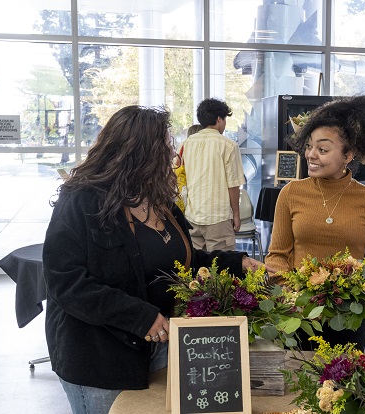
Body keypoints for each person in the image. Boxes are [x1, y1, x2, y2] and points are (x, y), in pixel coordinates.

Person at [42, 105, 263, 414]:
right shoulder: (82, 200)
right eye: (165, 144)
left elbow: (185, 259)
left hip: (155, 349)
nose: (172, 152)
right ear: (137, 151)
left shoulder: (159, 201)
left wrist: (235, 262)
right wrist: (139, 316)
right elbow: (65, 282)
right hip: (97, 357)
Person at [265, 95, 365, 349]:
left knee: (342, 385)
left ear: (348, 154)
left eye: (323, 150)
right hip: (298, 317)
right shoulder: (291, 193)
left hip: (348, 320)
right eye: (309, 146)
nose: (311, 155)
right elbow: (276, 257)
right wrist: (295, 293)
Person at [181, 98, 246, 250]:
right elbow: (233, 184)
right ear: (218, 119)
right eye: (224, 119)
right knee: (221, 269)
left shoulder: (188, 143)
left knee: (196, 268)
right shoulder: (228, 145)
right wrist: (236, 214)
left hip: (192, 216)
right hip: (218, 218)